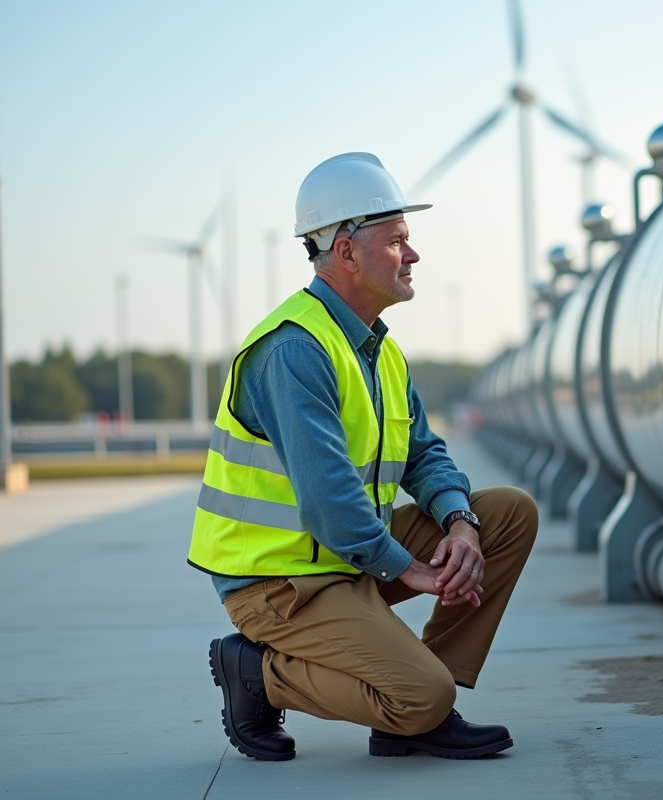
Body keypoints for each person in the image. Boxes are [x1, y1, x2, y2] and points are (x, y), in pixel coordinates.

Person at [187, 152, 537, 762]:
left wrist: (460, 524)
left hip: (346, 558)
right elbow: (329, 501)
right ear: (347, 252)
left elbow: (425, 455)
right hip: (281, 582)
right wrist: (408, 568)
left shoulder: (380, 352)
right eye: (397, 240)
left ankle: (423, 711)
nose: (414, 254)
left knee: (506, 513)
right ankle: (257, 673)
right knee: (419, 694)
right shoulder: (294, 351)